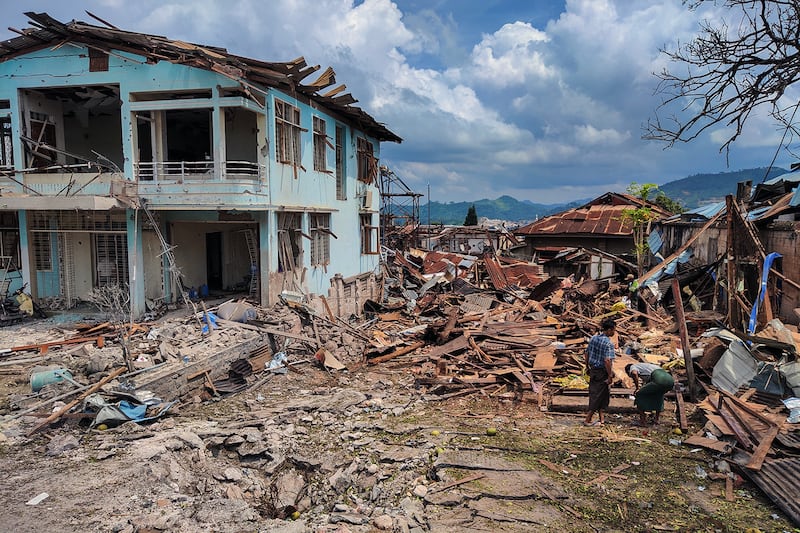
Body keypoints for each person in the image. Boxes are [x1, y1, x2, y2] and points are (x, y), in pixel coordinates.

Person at [583, 318, 617, 426]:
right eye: (614, 330)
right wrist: (610, 374)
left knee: (603, 395)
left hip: (593, 369)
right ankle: (588, 419)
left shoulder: (593, 338)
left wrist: (587, 366)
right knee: (597, 395)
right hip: (602, 371)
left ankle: (602, 419)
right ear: (609, 330)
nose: (614, 332)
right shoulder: (608, 344)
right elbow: (607, 360)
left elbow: (587, 353)